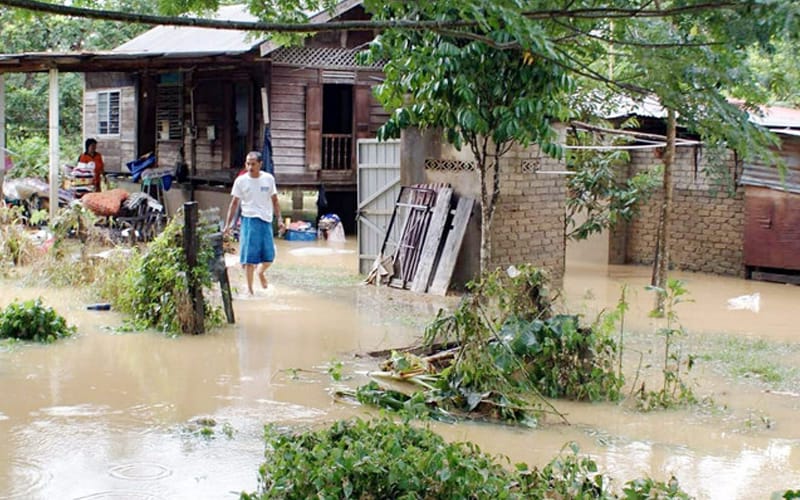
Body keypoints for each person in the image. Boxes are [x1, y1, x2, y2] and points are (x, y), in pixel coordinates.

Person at [222, 151, 285, 295]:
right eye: (248, 163)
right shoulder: (241, 181)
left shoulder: (268, 179)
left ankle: (261, 272)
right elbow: (234, 203)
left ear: (260, 164)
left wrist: (280, 220)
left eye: (253, 164)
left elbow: (275, 200)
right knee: (249, 259)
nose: (250, 167)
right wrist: (228, 224)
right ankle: (250, 290)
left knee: (269, 257)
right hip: (249, 220)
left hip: (266, 221)